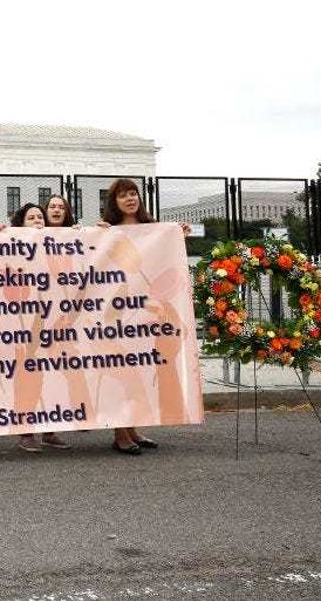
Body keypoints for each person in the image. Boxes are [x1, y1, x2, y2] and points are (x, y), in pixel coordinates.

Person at [98, 178, 185, 456]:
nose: (130, 199)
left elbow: (165, 258)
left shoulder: (153, 229)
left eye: (133, 193)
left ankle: (133, 429)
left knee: (142, 369)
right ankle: (120, 433)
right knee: (126, 371)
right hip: (121, 312)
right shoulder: (108, 230)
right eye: (123, 195)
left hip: (147, 315)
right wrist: (96, 234)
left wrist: (178, 234)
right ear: (114, 202)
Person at [5, 203, 71, 453]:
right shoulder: (13, 247)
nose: (37, 220)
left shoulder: (56, 245)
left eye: (40, 217)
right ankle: (26, 431)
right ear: (21, 224)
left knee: (51, 376)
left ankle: (49, 430)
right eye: (31, 217)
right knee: (28, 375)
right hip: (25, 322)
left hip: (51, 317)